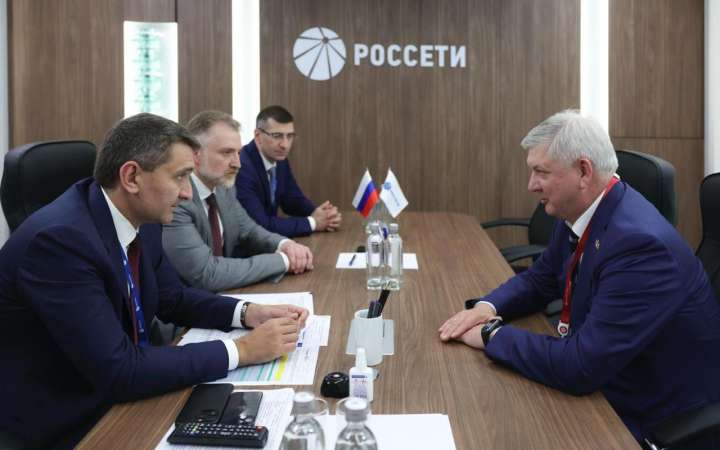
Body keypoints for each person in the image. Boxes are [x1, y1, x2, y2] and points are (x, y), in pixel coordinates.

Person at [0, 113, 309, 449]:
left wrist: (248, 312)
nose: (188, 193)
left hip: (124, 391)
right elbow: (119, 370)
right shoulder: (60, 242)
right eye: (180, 177)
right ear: (132, 177)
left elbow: (173, 297)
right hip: (70, 420)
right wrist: (243, 349)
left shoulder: (140, 217)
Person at [438, 110, 720, 448]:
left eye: (541, 172)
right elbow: (540, 279)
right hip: (606, 376)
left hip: (646, 413)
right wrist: (487, 308)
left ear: (583, 171)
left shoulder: (641, 247)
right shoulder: (582, 210)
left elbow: (579, 367)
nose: (531, 185)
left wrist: (491, 335)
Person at [162, 110, 314, 292]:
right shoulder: (177, 199)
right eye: (227, 153)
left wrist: (285, 245)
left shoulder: (223, 187)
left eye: (239, 153)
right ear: (195, 154)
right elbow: (207, 274)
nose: (237, 164)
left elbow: (248, 230)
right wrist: (283, 261)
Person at [235, 105, 341, 237]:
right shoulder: (242, 168)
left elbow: (292, 200)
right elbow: (261, 225)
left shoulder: (279, 159)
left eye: (290, 136)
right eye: (277, 136)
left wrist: (322, 215)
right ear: (258, 136)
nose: (285, 145)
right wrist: (314, 223)